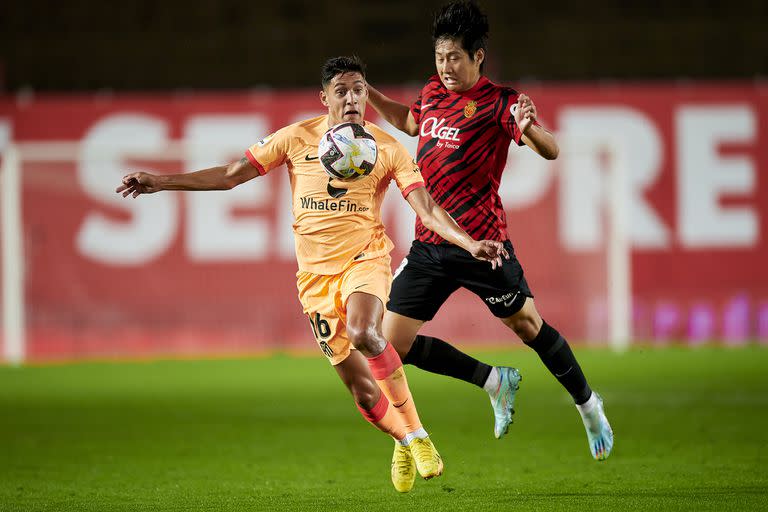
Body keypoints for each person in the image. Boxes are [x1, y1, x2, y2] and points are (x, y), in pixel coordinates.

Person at [116, 55, 508, 491]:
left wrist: (470, 242)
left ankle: (417, 434)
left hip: (365, 260)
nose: (353, 98)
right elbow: (230, 176)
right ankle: (401, 438)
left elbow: (427, 208)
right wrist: (160, 181)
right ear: (324, 99)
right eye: (342, 90)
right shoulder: (295, 138)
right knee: (362, 392)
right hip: (314, 280)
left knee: (365, 333)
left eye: (359, 89)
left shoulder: (389, 147)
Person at [366, 1, 614, 461]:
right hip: (430, 244)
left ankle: (587, 403)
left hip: (483, 246)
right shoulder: (432, 93)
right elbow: (409, 121)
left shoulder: (500, 102)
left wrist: (530, 130)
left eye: (455, 57)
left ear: (479, 56)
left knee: (528, 327)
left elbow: (551, 149)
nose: (446, 67)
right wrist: (370, 96)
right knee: (387, 342)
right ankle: (493, 380)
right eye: (440, 57)